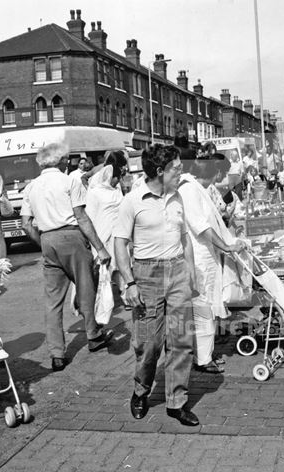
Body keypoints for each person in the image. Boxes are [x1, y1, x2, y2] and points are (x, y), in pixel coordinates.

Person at [114, 145, 199, 426]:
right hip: (146, 276)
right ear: (160, 172)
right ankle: (141, 391)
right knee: (149, 342)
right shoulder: (132, 201)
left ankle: (177, 402)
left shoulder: (178, 197)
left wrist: (190, 273)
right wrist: (130, 283)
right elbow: (120, 244)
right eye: (176, 167)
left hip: (176, 272)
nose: (181, 170)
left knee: (181, 340)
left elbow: (184, 238)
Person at [21, 143, 114, 372]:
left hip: (47, 239)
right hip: (71, 236)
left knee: (53, 300)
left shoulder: (31, 187)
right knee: (86, 287)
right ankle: (93, 335)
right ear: (62, 161)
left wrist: (42, 241)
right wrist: (100, 247)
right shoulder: (69, 181)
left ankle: (57, 354)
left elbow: (25, 224)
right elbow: (81, 217)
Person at [178, 159, 247, 374]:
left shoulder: (197, 188)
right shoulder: (190, 190)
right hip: (198, 259)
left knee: (205, 307)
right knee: (203, 308)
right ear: (213, 173)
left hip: (206, 256)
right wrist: (225, 245)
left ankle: (204, 354)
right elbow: (201, 227)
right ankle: (202, 359)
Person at [85, 150, 127, 274]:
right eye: (122, 165)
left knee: (119, 267)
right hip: (102, 232)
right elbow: (90, 214)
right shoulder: (96, 188)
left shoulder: (116, 186)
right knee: (105, 271)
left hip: (117, 233)